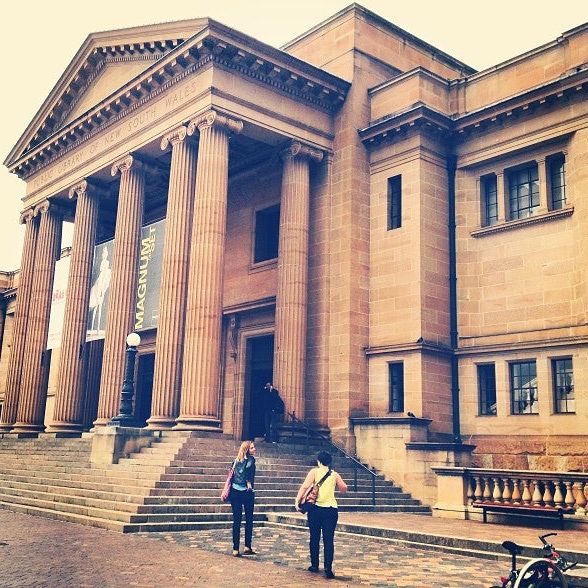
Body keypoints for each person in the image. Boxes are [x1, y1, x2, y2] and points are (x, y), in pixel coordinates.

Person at [295, 450, 348, 579]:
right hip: (330, 511)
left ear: (319, 461)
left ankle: (314, 565)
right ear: (329, 462)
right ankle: (328, 568)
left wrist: (297, 501)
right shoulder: (334, 474)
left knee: (314, 537)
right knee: (328, 540)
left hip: (315, 510)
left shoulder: (314, 472)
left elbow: (304, 486)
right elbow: (344, 488)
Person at [229, 440, 257, 557]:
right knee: (249, 520)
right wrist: (249, 483)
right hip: (247, 492)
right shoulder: (251, 460)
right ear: (247, 450)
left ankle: (235, 548)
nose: (254, 449)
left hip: (234, 493)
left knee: (237, 520)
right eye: (252, 448)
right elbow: (249, 474)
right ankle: (247, 546)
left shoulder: (235, 461)